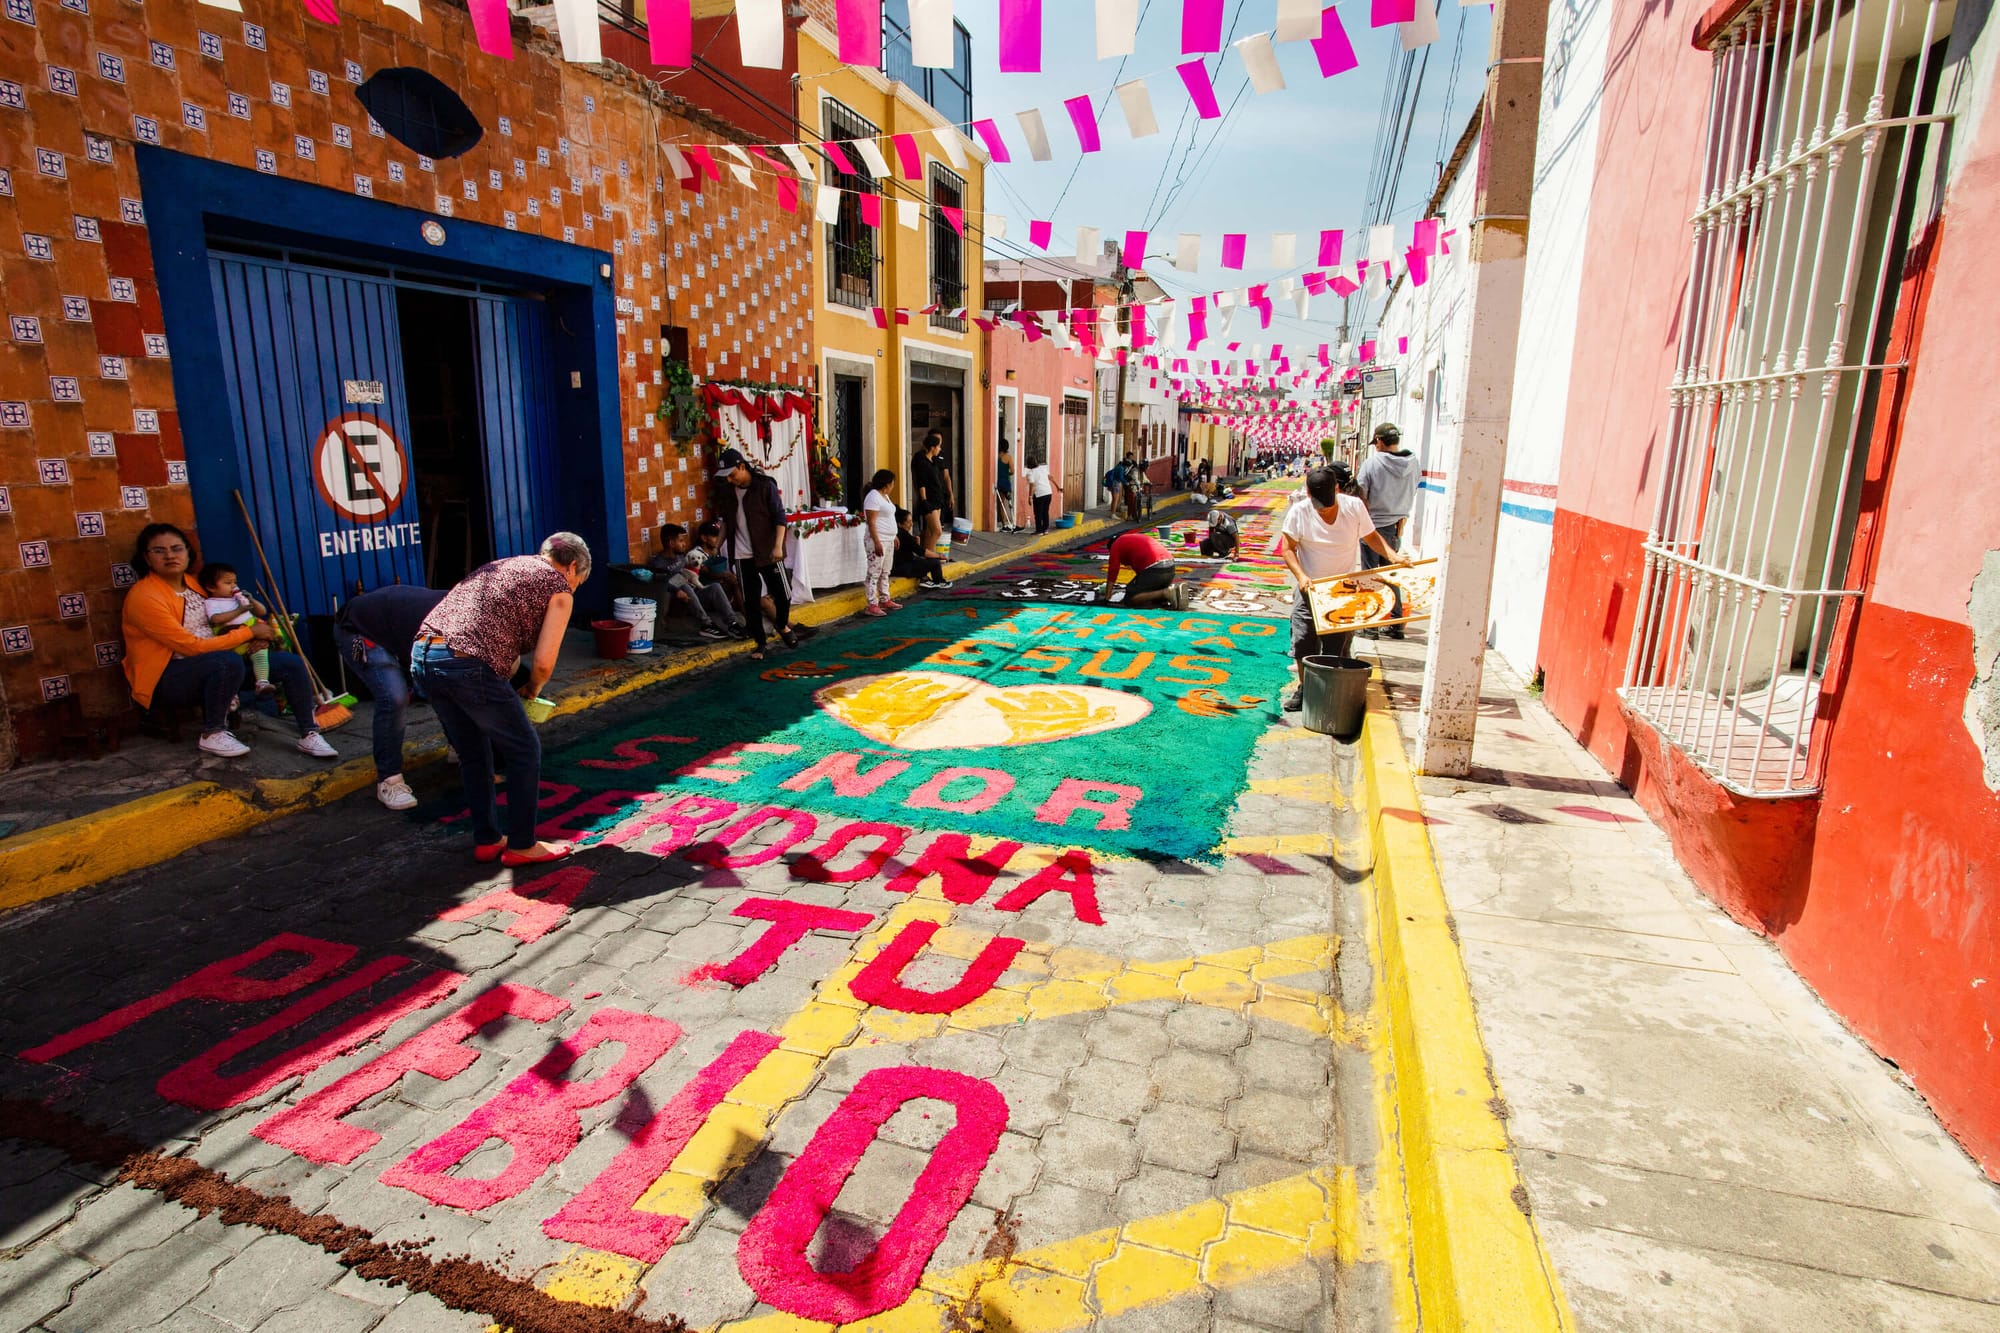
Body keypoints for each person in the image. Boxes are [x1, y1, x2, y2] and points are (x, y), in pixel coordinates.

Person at [413, 533, 588, 866]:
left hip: (424, 655)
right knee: (524, 750)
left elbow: (499, 646)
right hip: (466, 661)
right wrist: (533, 690)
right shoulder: (558, 587)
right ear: (573, 566)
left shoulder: (506, 565)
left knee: (474, 754)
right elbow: (543, 663)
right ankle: (522, 844)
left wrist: (497, 690)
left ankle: (488, 839)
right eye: (578, 582)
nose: (574, 589)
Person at [120, 523, 335, 760]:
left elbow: (224, 619)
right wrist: (249, 634)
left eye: (177, 548)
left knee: (290, 664)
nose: (170, 555)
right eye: (159, 551)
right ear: (146, 559)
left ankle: (309, 733)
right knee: (227, 662)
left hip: (218, 660)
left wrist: (252, 639)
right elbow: (191, 646)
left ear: (188, 553)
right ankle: (212, 732)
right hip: (168, 676)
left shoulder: (194, 583)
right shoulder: (145, 596)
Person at [1277, 466, 1410, 712]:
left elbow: (1370, 536)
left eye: (1327, 504)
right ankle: (1305, 687)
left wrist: (1392, 555)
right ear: (1307, 492)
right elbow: (1287, 548)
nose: (1322, 510)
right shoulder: (1299, 512)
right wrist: (1302, 576)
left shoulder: (1353, 507)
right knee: (1304, 639)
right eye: (1318, 504)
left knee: (1335, 645)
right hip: (1310, 588)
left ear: (1337, 489)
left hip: (1342, 589)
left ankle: (1329, 691)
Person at [335, 583, 448, 810]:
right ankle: (389, 780)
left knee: (446, 684)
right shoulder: (451, 621)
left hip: (396, 627)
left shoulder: (469, 614)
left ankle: (461, 751)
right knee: (393, 697)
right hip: (360, 630)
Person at [708, 447, 799, 660]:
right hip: (741, 554)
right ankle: (760, 643)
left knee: (783, 594)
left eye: (732, 474)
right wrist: (717, 546)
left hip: (767, 551)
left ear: (742, 466)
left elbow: (779, 517)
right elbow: (726, 522)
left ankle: (782, 625)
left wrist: (777, 546)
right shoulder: (728, 492)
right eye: (726, 477)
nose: (730, 480)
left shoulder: (765, 486)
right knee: (750, 600)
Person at [1357, 423, 1421, 640]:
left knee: (1370, 575)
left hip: (1372, 525)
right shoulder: (1413, 464)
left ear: (1380, 441)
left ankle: (1370, 625)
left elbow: (1361, 492)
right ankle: (1396, 624)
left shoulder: (1372, 463)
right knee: (1391, 575)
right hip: (1397, 525)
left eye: (1376, 443)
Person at [648, 523, 745, 641]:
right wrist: (677, 590)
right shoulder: (658, 563)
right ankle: (707, 625)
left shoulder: (681, 557)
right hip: (677, 602)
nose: (684, 544)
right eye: (681, 541)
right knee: (683, 583)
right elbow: (659, 583)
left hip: (693, 597)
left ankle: (733, 624)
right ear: (671, 543)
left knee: (715, 587)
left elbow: (691, 573)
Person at [197, 563, 274, 699]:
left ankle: (262, 682)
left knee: (261, 654)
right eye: (228, 583)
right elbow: (216, 619)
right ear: (210, 587)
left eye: (235, 582)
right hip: (233, 639)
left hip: (252, 637)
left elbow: (262, 611)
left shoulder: (237, 599)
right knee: (232, 664)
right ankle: (233, 696)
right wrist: (239, 610)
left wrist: (251, 600)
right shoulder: (212, 602)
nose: (233, 586)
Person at [1102, 529, 1186, 610]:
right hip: (1170, 567)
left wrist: (1107, 598)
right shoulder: (1132, 541)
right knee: (1150, 596)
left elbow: (1113, 571)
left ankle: (1165, 593)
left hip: (1155, 568)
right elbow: (1141, 577)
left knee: (1131, 599)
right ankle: (1173, 594)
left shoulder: (1116, 545)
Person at [860, 469, 904, 616]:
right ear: (887, 483)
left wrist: (894, 535)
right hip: (878, 540)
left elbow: (888, 516)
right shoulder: (873, 497)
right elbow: (871, 522)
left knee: (885, 571)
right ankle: (872, 603)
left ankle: (885, 598)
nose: (893, 486)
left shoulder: (885, 496)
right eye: (892, 483)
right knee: (874, 572)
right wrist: (877, 541)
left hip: (889, 538)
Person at [892, 508, 949, 588]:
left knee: (921, 560)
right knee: (934, 562)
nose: (911, 524)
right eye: (908, 522)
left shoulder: (898, 533)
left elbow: (915, 550)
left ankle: (924, 578)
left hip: (900, 565)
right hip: (902, 568)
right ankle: (939, 581)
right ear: (900, 524)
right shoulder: (904, 535)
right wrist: (939, 555)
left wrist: (916, 542)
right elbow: (922, 552)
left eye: (911, 521)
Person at [911, 434, 946, 557]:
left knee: (930, 532)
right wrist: (924, 499)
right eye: (938, 446)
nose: (940, 449)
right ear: (932, 447)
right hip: (929, 500)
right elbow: (922, 482)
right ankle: (929, 556)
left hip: (937, 499)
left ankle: (927, 555)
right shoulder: (922, 462)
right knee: (937, 531)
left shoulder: (934, 461)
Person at [1024, 452, 1054, 534]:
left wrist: (1030, 497)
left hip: (1039, 494)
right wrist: (1058, 487)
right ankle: (1045, 529)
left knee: (1038, 513)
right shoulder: (1043, 468)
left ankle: (1039, 530)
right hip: (1048, 492)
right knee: (1045, 511)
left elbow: (1032, 485)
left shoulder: (1031, 473)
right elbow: (1050, 477)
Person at [994, 440, 1018, 533]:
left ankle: (1004, 524)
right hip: (1006, 482)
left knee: (1001, 504)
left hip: (998, 482)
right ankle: (1013, 522)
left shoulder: (997, 457)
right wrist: (1006, 473)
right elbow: (1012, 471)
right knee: (1009, 503)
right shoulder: (1008, 457)